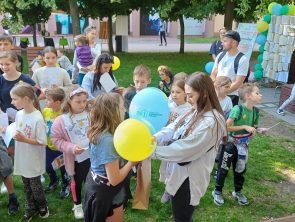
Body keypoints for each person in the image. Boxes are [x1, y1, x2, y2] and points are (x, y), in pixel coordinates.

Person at [153, 73, 227, 222]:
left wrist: (150, 151)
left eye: (190, 96)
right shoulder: (195, 109)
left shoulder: (211, 122)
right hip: (180, 174)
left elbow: (184, 149)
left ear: (205, 93)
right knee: (180, 215)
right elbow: (174, 127)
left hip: (189, 179)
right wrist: (155, 137)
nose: (188, 100)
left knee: (182, 217)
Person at [83, 93, 136, 222]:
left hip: (97, 184)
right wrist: (132, 162)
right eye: (122, 107)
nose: (125, 110)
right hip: (107, 192)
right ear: (112, 112)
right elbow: (114, 179)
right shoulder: (107, 141)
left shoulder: (104, 130)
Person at [212, 83, 264, 206]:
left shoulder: (256, 111)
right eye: (257, 93)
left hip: (243, 147)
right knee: (223, 168)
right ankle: (217, 191)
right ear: (247, 96)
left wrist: (259, 129)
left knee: (240, 170)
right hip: (230, 145)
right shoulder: (237, 109)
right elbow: (227, 126)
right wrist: (244, 126)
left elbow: (253, 127)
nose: (260, 95)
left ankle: (238, 192)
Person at [10, 83, 49, 220]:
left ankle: (43, 205)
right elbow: (19, 128)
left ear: (26, 99)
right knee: (26, 184)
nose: (12, 102)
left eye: (15, 99)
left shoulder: (37, 118)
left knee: (35, 186)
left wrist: (24, 139)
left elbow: (42, 141)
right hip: (22, 155)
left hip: (33, 158)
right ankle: (30, 207)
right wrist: (15, 133)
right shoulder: (19, 113)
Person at [51, 86, 90, 219]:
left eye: (85, 101)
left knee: (90, 181)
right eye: (78, 102)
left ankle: (89, 201)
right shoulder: (61, 120)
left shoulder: (91, 114)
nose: (82, 104)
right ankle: (77, 204)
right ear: (69, 101)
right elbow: (56, 140)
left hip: (91, 156)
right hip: (74, 159)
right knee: (76, 182)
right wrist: (71, 147)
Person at [159, 79, 191, 204]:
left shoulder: (188, 109)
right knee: (165, 165)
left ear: (185, 93)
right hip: (167, 142)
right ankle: (168, 188)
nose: (174, 94)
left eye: (178, 92)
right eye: (172, 91)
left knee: (174, 169)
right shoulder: (169, 105)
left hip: (178, 145)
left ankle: (169, 191)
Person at [42, 88, 70, 198]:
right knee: (47, 166)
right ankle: (54, 181)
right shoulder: (45, 111)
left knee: (63, 169)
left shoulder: (64, 115)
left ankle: (65, 184)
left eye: (48, 100)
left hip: (60, 148)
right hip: (48, 146)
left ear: (57, 102)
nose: (46, 102)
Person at [211, 30, 250, 106]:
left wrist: (223, 93)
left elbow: (238, 83)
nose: (222, 43)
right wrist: (216, 90)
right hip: (216, 94)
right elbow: (213, 73)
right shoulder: (220, 55)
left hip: (231, 96)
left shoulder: (242, 59)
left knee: (227, 117)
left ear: (234, 43)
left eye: (225, 41)